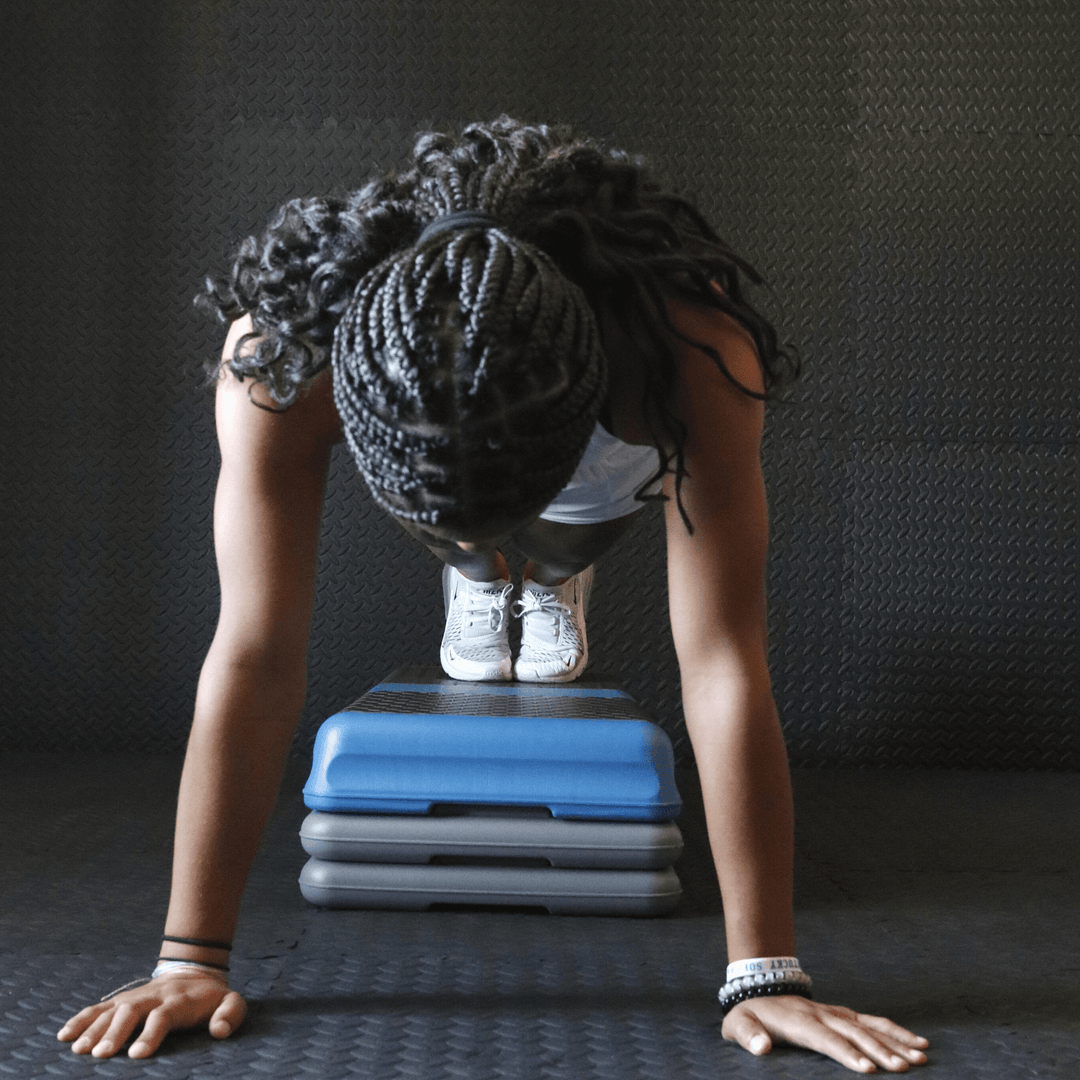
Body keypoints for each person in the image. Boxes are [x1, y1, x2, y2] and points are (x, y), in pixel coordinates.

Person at [57, 117, 928, 1072]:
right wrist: (189, 959)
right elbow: (256, 650)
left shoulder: (687, 352)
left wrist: (765, 973)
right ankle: (476, 571)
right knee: (478, 540)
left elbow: (721, 655)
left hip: (593, 463)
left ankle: (549, 576)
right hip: (443, 432)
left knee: (551, 544)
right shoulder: (280, 357)